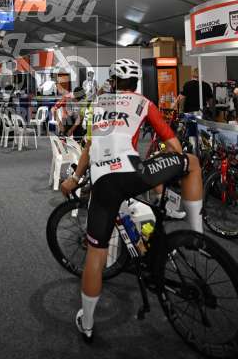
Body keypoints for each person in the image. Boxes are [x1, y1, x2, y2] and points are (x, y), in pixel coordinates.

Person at [61, 58, 203, 343]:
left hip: (104, 183)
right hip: (137, 174)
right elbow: (172, 144)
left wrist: (74, 179)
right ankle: (198, 237)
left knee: (96, 255)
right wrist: (169, 163)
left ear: (112, 82)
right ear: (136, 83)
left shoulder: (98, 104)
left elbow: (89, 147)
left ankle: (87, 323)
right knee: (193, 163)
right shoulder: (143, 102)